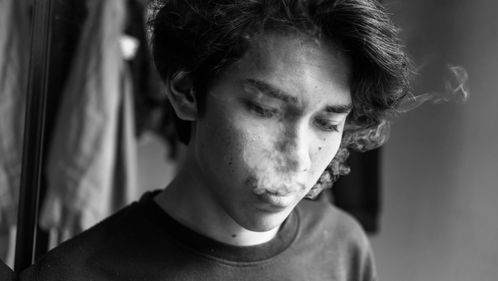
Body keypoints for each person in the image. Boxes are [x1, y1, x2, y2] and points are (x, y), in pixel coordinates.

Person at [19, 0, 410, 280]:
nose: (299, 159)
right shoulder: (75, 273)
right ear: (186, 91)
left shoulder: (342, 245)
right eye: (265, 109)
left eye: (327, 123)